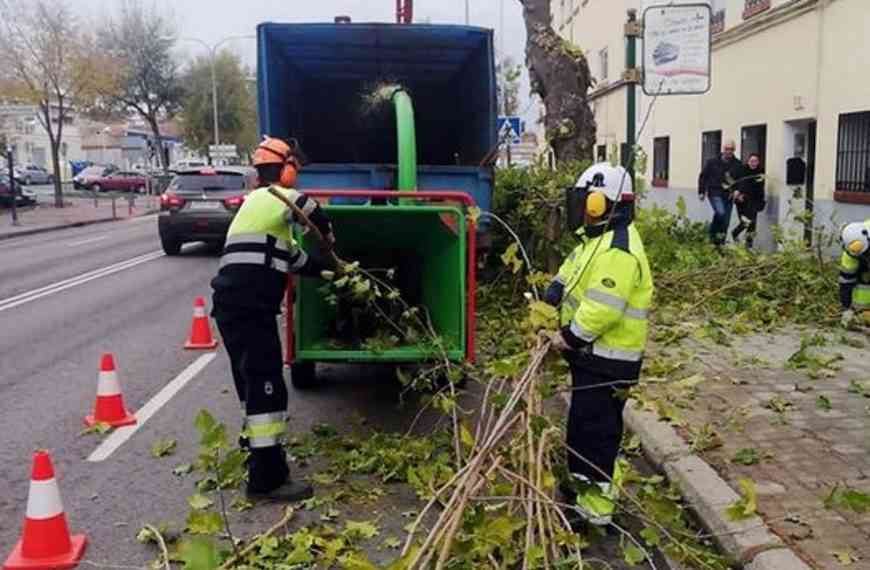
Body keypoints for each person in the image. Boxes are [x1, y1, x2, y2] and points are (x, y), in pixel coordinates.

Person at [211, 136, 337, 502]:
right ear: (285, 168)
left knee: (251, 381)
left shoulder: (256, 209)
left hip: (232, 306)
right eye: (294, 166)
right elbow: (310, 208)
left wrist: (330, 273)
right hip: (250, 308)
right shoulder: (275, 197)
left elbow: (296, 260)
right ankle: (266, 480)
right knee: (267, 384)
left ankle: (258, 453)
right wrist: (328, 237)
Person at [544, 163, 654, 526]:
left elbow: (602, 310)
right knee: (582, 424)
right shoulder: (597, 240)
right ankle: (580, 489)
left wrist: (568, 337)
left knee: (596, 432)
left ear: (599, 202)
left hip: (608, 360)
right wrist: (556, 288)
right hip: (593, 358)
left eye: (585, 200)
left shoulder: (618, 251)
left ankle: (597, 509)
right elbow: (575, 266)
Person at [698, 140, 744, 246]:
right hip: (715, 192)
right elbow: (703, 177)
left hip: (729, 195)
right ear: (723, 149)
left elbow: (741, 180)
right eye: (727, 149)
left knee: (725, 221)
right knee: (720, 213)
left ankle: (720, 244)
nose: (729, 151)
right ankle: (712, 234)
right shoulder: (712, 162)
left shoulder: (737, 164)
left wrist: (738, 190)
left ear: (734, 150)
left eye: (731, 149)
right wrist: (701, 191)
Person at [838, 220, 870, 328]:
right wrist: (846, 308)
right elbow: (846, 282)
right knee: (864, 280)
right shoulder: (849, 256)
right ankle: (862, 310)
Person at [731, 153, 766, 249]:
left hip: (754, 200)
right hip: (742, 200)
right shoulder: (742, 170)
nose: (753, 163)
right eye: (752, 161)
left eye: (755, 161)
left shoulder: (760, 172)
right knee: (745, 222)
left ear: (758, 162)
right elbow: (734, 182)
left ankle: (749, 245)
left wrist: (761, 201)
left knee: (753, 223)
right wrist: (736, 192)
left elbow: (760, 188)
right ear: (748, 161)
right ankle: (735, 233)